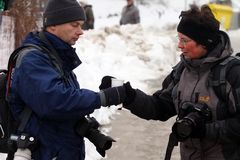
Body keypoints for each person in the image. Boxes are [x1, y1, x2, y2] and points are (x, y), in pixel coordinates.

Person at [99, 4, 240, 160]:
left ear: (204, 43)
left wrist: (206, 130)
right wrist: (127, 94)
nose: (179, 46)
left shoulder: (232, 73)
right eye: (179, 39)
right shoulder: (183, 71)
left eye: (185, 40)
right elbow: (159, 107)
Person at [8, 0, 127, 159]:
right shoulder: (33, 60)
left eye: (81, 25)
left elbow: (63, 112)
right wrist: (104, 97)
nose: (81, 31)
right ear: (53, 25)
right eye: (74, 24)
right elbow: (55, 102)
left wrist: (88, 130)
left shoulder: (56, 56)